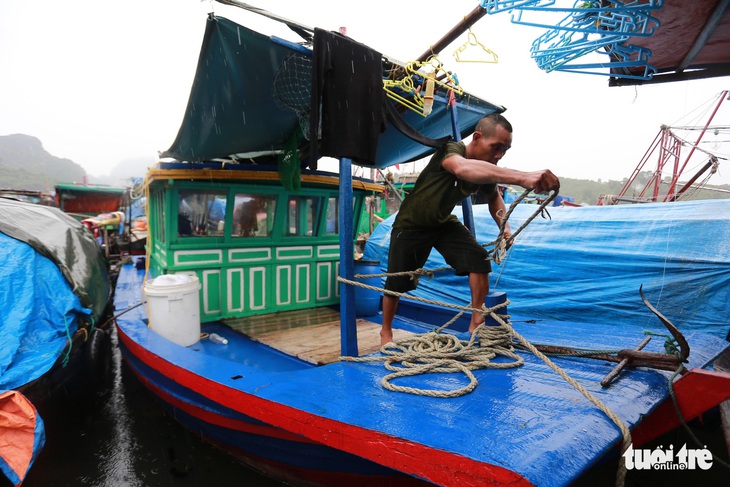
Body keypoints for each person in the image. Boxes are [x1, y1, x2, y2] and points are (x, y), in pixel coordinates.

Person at [380, 113, 560, 346]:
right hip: (411, 224)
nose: (499, 155)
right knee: (397, 281)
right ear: (476, 137)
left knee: (478, 259)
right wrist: (522, 177)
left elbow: (494, 197)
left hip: (443, 222)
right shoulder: (452, 150)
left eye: (505, 150)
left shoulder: (486, 171)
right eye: (496, 147)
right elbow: (462, 168)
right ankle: (386, 332)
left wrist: (505, 228)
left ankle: (477, 322)